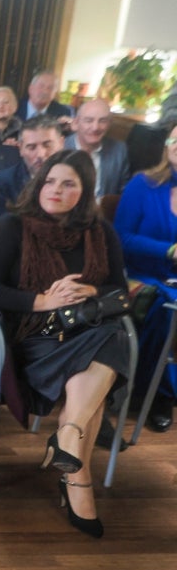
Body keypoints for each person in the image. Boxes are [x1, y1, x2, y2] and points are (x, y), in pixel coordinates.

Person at [0, 150, 129, 538]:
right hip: (31, 338)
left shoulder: (100, 232)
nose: (56, 190)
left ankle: (70, 438)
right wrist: (42, 301)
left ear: (84, 192)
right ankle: (77, 473)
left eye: (68, 184)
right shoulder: (12, 226)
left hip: (86, 331)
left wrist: (90, 289)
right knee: (105, 352)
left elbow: (118, 288)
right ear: (38, 183)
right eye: (50, 181)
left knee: (108, 337)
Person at [113, 121, 177, 432]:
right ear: (167, 147)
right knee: (164, 310)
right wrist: (168, 251)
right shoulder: (143, 185)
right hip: (141, 276)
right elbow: (120, 238)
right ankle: (156, 396)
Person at [0, 116, 63, 224]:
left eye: (47, 145)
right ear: (20, 148)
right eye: (31, 147)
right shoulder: (2, 184)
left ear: (61, 143)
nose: (40, 154)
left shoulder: (74, 182)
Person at [65, 98, 130, 197]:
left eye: (102, 121)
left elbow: (124, 190)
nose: (95, 127)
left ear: (109, 124)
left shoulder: (119, 150)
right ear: (76, 123)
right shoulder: (60, 148)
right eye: (89, 120)